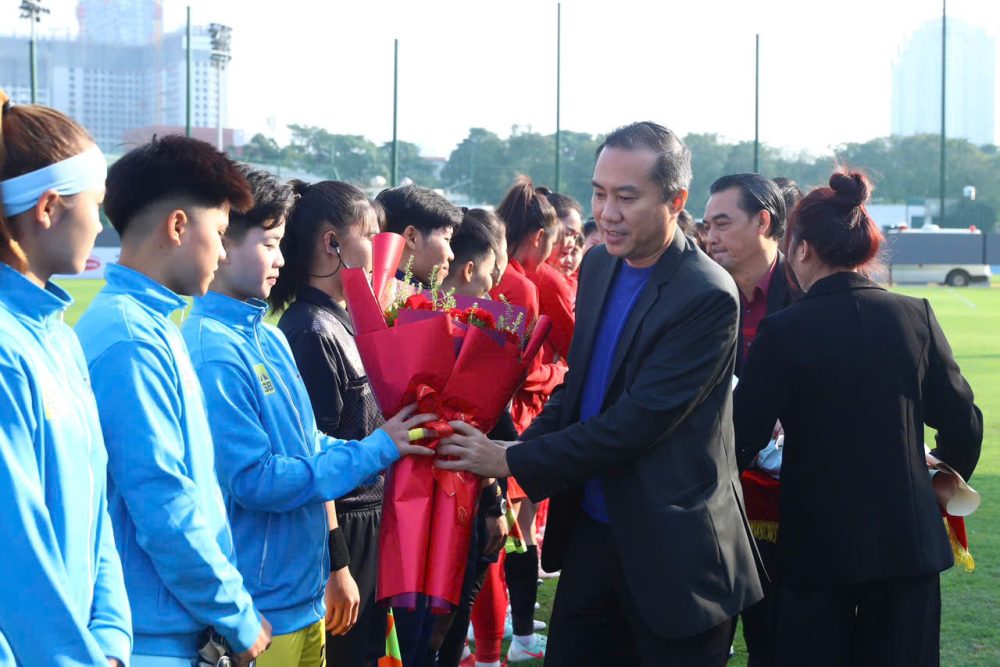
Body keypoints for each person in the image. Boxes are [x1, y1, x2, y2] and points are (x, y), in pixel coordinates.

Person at [436, 121, 764, 666]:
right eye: (599, 193)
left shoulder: (706, 294)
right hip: (592, 535)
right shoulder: (599, 264)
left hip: (672, 554)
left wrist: (510, 460)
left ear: (675, 201)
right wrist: (511, 451)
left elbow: (635, 424)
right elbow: (579, 388)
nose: (607, 212)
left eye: (626, 197)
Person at [183, 167, 434, 667]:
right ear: (222, 242)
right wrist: (376, 449)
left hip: (303, 594)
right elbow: (255, 480)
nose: (281, 259)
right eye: (269, 244)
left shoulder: (268, 337)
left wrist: (385, 444)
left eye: (281, 243)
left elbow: (310, 442)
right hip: (259, 607)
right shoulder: (214, 352)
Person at [733, 169, 983, 666]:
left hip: (815, 544)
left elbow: (741, 436)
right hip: (906, 542)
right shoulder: (915, 316)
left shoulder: (783, 331)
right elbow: (963, 422)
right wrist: (938, 477)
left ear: (802, 249)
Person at [75, 136, 271, 667]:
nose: (224, 252)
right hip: (149, 640)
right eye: (221, 234)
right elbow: (163, 504)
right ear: (179, 226)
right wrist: (238, 616)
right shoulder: (131, 340)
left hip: (171, 629)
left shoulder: (152, 325)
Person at [0, 90, 132, 666]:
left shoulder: (59, 337)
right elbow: (15, 552)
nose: (100, 224)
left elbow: (97, 511)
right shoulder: (6, 349)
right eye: (95, 204)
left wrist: (112, 640)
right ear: (48, 208)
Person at [270, 181, 408, 667]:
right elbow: (314, 458)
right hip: (342, 529)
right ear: (333, 243)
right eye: (369, 234)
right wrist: (338, 564)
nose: (380, 247)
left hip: (369, 520)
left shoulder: (344, 320)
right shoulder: (309, 330)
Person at [703, 173, 796, 666]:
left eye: (722, 224)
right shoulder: (696, 290)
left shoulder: (805, 293)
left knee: (775, 639)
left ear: (763, 222)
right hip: (707, 498)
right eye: (707, 225)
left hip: (787, 506)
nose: (710, 237)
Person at [376, 184, 463, 288]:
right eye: (446, 239)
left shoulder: (374, 287)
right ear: (412, 237)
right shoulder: (388, 296)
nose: (451, 256)